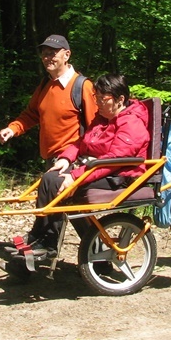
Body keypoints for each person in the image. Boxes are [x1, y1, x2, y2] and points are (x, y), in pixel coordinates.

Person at [21, 73, 150, 254]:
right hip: (97, 168)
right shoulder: (102, 118)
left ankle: (46, 242)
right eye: (96, 97)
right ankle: (41, 237)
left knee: (59, 184)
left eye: (102, 98)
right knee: (50, 177)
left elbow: (113, 161)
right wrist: (65, 159)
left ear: (120, 99)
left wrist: (75, 176)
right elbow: (82, 143)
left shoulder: (132, 123)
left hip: (120, 175)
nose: (97, 102)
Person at [0, 34, 98, 167]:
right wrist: (12, 129)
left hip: (73, 162)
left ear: (67, 55)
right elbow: (32, 114)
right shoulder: (45, 84)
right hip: (51, 161)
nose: (46, 58)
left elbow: (96, 127)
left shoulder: (83, 86)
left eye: (52, 53)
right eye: (44, 54)